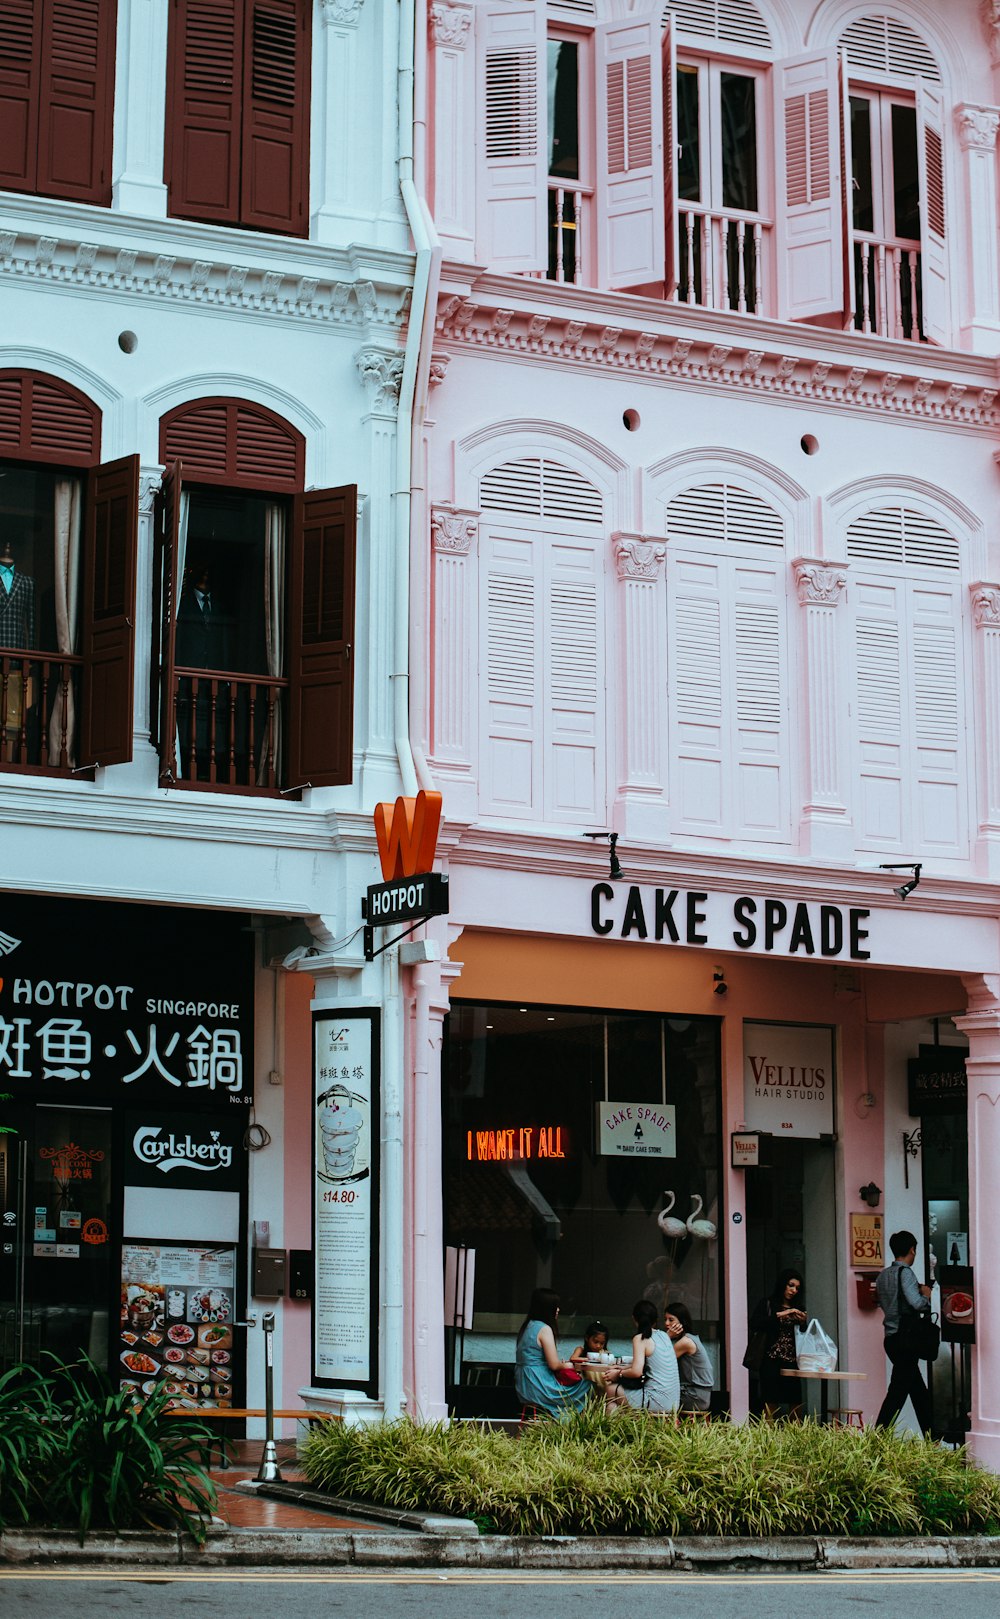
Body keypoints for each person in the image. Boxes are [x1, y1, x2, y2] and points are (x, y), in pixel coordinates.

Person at [874, 1228, 934, 1435]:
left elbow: (884, 1303)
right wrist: (926, 1295)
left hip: (891, 1338)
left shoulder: (883, 1276)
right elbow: (916, 1304)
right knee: (898, 1392)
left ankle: (932, 1435)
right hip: (907, 1339)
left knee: (917, 1390)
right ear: (912, 1250)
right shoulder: (906, 1273)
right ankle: (879, 1436)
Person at [514, 1287, 588, 1418]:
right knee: (589, 1386)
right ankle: (572, 1428)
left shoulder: (527, 1325)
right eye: (555, 1306)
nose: (558, 1309)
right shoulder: (544, 1329)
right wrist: (566, 1365)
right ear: (547, 1308)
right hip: (539, 1385)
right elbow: (554, 1365)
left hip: (525, 1385)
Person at [750, 1269, 806, 1419]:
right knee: (770, 1400)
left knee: (795, 1401)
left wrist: (802, 1322)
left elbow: (804, 1334)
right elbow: (755, 1323)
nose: (793, 1290)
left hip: (792, 1361)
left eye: (797, 1288)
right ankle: (769, 1437)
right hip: (771, 1359)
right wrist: (781, 1315)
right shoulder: (768, 1303)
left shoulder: (799, 1308)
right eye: (790, 1285)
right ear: (783, 1284)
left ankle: (797, 1435)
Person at [609, 1299, 680, 1414]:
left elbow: (637, 1371)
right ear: (655, 1320)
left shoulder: (640, 1338)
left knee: (610, 1389)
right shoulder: (664, 1336)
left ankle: (620, 1428)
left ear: (634, 1319)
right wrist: (622, 1369)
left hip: (656, 1401)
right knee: (612, 1406)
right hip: (673, 1404)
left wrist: (618, 1374)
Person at [665, 1301, 714, 1413]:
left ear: (682, 1322)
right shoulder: (690, 1338)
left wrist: (667, 1336)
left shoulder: (685, 1342)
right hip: (698, 1396)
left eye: (671, 1320)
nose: (667, 1323)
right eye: (665, 1319)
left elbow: (661, 1363)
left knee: (654, 1398)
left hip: (694, 1396)